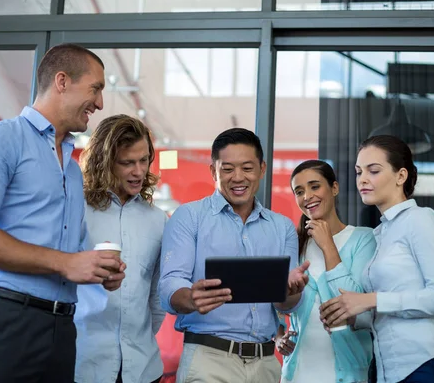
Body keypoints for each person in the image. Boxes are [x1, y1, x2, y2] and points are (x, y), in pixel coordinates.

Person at [0, 43, 126, 383]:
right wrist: (66, 263)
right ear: (62, 81)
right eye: (96, 88)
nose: (100, 103)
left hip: (62, 332)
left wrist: (96, 268)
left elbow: (68, 255)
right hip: (4, 323)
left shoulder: (73, 172)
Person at [158, 128, 309, 383]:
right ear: (213, 171)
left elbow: (285, 304)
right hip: (209, 361)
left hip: (266, 364)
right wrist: (191, 298)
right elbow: (169, 285)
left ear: (262, 169)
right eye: (227, 169)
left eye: (247, 168)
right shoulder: (189, 217)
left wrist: (292, 290)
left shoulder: (282, 227)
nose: (238, 177)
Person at [320, 135, 434, 383]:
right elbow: (386, 311)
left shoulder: (420, 219)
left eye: (373, 171)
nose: (362, 179)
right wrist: (352, 314)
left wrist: (369, 299)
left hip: (424, 365)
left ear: (401, 176)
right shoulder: (381, 233)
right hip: (388, 372)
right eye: (358, 171)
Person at [74, 115, 167, 383]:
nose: (139, 171)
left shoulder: (157, 220)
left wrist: (140, 336)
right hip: (85, 365)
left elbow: (156, 297)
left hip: (143, 369)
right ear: (104, 163)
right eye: (127, 163)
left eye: (144, 160)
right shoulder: (77, 210)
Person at [274, 160, 375, 383]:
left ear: (335, 188)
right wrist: (279, 337)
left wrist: (327, 244)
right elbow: (275, 305)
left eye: (314, 186)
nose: (307, 196)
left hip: (348, 374)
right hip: (296, 374)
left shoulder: (363, 239)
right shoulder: (294, 245)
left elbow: (356, 303)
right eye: (299, 191)